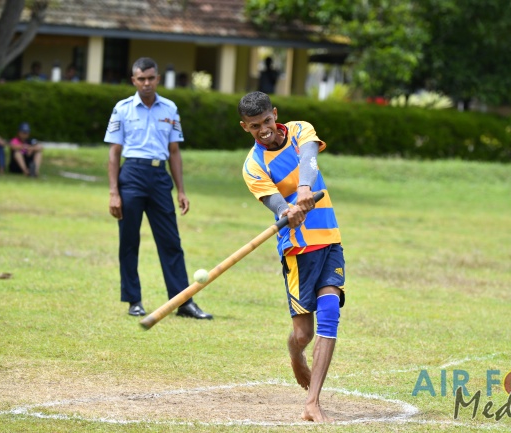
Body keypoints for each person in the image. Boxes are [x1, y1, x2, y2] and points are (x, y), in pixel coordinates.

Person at [238, 91, 345, 422]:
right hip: (297, 249)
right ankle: (295, 352)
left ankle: (312, 402)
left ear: (275, 114)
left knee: (329, 310)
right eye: (255, 126)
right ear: (246, 127)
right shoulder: (254, 166)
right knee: (303, 334)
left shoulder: (300, 131)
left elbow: (310, 160)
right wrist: (289, 210)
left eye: (267, 121)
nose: (264, 129)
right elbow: (276, 206)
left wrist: (303, 189)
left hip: (329, 237)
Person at [104, 57, 212, 320]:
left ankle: (183, 302)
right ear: (134, 80)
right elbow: (114, 153)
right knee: (129, 240)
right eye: (141, 79)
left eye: (151, 78)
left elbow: (174, 152)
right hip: (131, 175)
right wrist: (114, 192)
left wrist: (181, 190)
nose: (146, 83)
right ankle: (134, 300)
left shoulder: (170, 109)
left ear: (158, 78)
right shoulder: (122, 109)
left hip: (159, 176)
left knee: (171, 242)